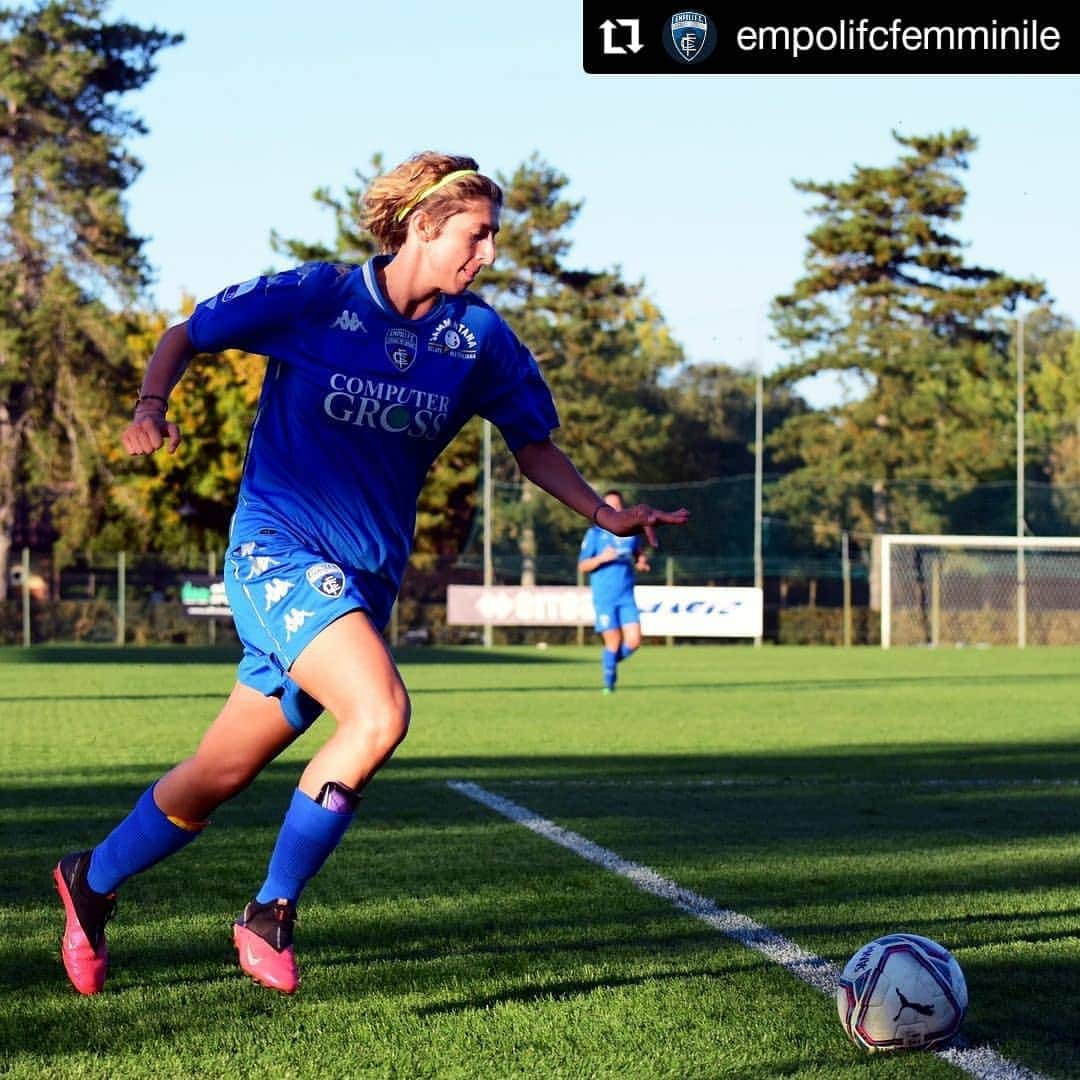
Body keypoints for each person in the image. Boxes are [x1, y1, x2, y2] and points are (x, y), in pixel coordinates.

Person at [53, 152, 689, 997]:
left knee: (217, 776)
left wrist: (605, 514)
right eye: (478, 233)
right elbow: (187, 332)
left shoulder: (477, 340)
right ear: (425, 226)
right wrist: (151, 407)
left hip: (361, 585)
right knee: (382, 712)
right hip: (275, 554)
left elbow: (532, 442)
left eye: (494, 236)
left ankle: (88, 882)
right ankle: (269, 910)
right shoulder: (318, 297)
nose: (489, 253)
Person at [578, 489, 651, 693]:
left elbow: (637, 553)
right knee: (613, 641)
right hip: (605, 597)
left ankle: (608, 663)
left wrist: (641, 561)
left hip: (626, 595)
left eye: (617, 505)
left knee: (634, 641)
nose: (614, 509)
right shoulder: (594, 534)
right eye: (609, 505)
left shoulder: (630, 533)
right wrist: (602, 558)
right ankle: (608, 685)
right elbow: (582, 566)